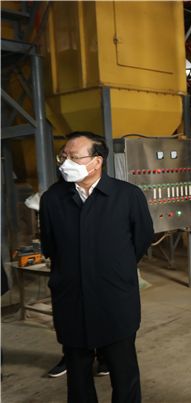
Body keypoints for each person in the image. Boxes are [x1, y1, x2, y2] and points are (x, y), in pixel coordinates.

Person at [40, 132, 154, 402]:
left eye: (74, 157)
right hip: (71, 298)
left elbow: (141, 239)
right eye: (63, 157)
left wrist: (115, 267)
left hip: (114, 298)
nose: (65, 163)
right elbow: (50, 245)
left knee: (123, 372)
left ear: (97, 161)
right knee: (78, 374)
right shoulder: (53, 199)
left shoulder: (127, 196)